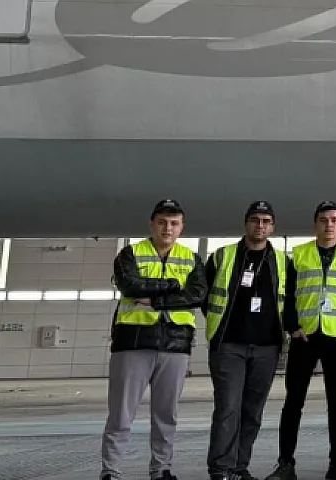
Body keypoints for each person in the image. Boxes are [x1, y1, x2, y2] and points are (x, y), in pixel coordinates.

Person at [100, 199, 207, 480]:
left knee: (166, 415)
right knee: (121, 414)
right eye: (162, 222)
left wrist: (156, 301)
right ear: (152, 224)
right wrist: (172, 286)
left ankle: (161, 470)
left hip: (176, 344)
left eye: (173, 223)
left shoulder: (192, 259)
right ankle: (111, 471)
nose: (167, 228)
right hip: (133, 342)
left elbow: (197, 295)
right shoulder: (130, 254)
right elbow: (129, 285)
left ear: (182, 227)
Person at [267, 202, 336, 480]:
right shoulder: (300, 254)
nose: (329, 224)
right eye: (323, 220)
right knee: (293, 402)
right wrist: (292, 327)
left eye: (334, 220)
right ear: (315, 224)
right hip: (305, 338)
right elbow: (286, 293)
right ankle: (286, 463)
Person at [205, 201, 289, 480]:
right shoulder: (222, 256)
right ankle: (221, 468)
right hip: (229, 345)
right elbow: (206, 297)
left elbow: (289, 301)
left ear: (272, 227)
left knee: (252, 411)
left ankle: (239, 467)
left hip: (267, 348)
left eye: (266, 221)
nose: (260, 225)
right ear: (246, 224)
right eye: (255, 220)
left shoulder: (283, 262)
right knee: (228, 407)